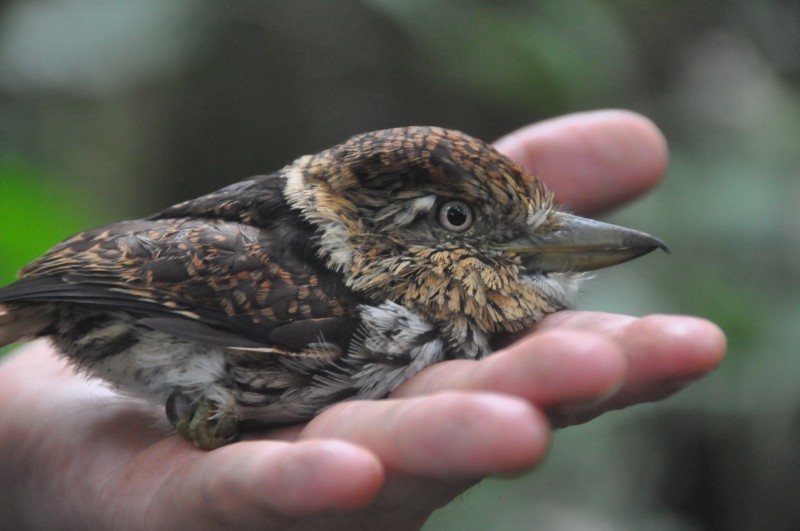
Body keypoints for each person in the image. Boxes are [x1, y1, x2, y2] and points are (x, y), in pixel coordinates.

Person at [0, 110, 725, 530]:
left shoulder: (398, 298)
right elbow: (112, 263)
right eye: (453, 219)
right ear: (372, 230)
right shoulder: (299, 281)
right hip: (94, 308)